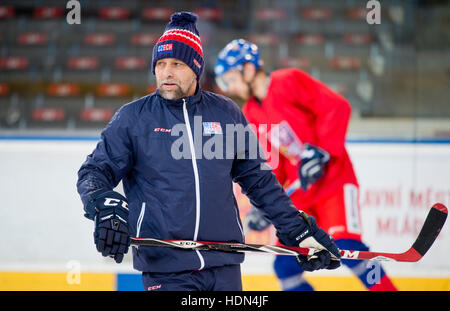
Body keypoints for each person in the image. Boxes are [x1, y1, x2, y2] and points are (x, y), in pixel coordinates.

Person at [76, 12, 341, 291]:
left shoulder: (226, 113)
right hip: (166, 270)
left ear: (196, 67)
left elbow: (259, 180)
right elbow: (93, 172)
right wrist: (106, 207)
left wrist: (298, 231)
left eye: (177, 64)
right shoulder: (134, 119)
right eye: (161, 63)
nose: (166, 72)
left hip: (224, 266)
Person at [214, 39, 397, 291]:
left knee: (348, 249)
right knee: (286, 266)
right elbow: (272, 164)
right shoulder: (251, 114)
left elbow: (336, 107)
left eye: (230, 79)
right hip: (303, 192)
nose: (230, 88)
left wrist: (322, 152)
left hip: (334, 181)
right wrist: (265, 205)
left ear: (248, 69)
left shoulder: (288, 80)